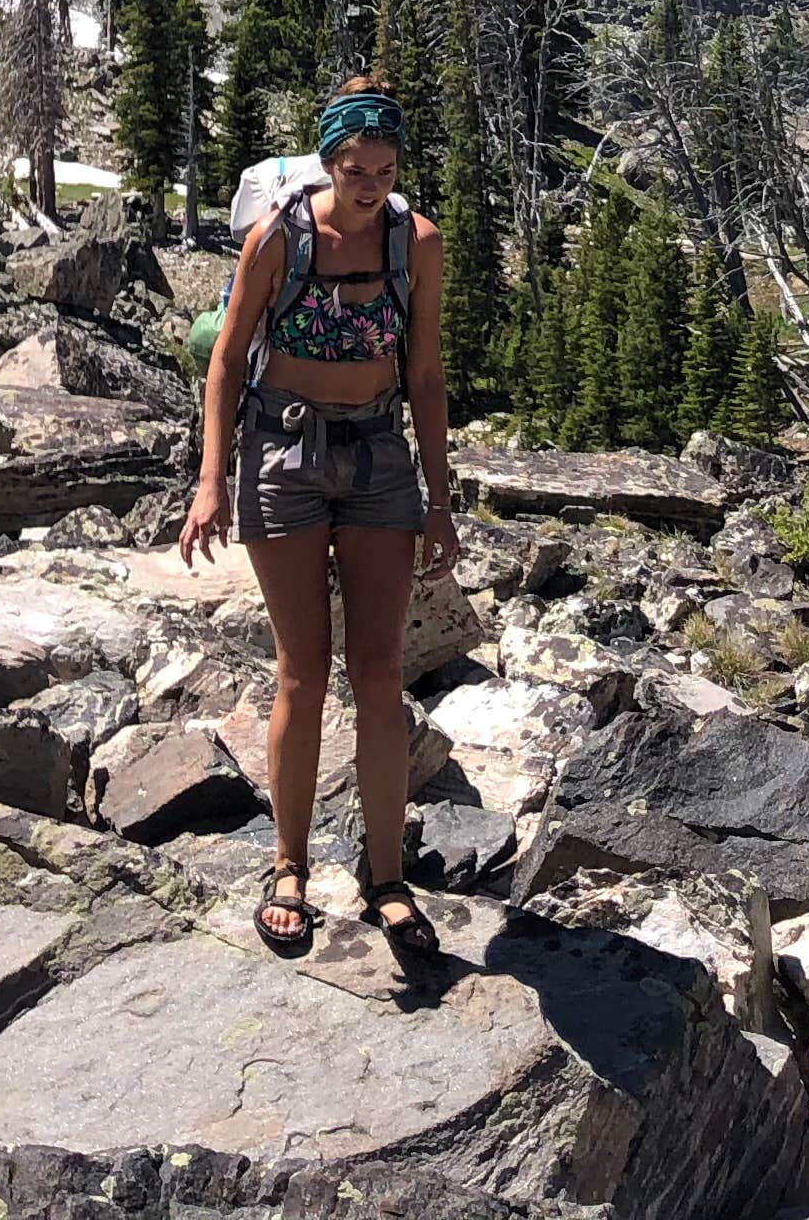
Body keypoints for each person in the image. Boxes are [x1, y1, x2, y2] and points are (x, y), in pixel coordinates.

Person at [177, 75, 458, 956]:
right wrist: (210, 478)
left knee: (378, 672)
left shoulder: (417, 244)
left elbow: (424, 374)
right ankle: (287, 866)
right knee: (302, 667)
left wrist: (441, 497)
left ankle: (387, 878)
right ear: (327, 164)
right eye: (353, 167)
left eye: (382, 168)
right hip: (283, 452)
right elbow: (225, 361)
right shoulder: (280, 238)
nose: (369, 183)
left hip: (379, 457)